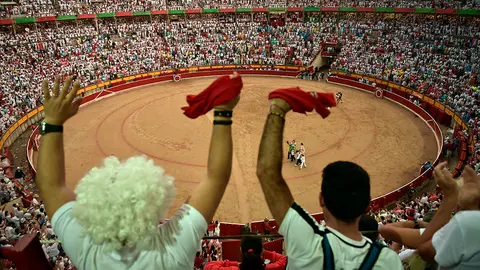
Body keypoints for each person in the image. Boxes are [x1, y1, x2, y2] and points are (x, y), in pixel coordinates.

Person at [37, 75, 241, 269]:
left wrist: (52, 121)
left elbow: (51, 185)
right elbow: (216, 178)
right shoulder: (171, 247)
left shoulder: (86, 249)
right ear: (151, 205)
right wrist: (223, 111)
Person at [256, 89, 402, 269]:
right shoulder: (389, 261)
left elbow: (267, 173)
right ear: (367, 205)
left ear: (321, 199)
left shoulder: (307, 242)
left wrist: (278, 109)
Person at [204, 235, 287, 270]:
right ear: (261, 252)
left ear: (240, 250)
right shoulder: (270, 268)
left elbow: (208, 266)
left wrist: (238, 264)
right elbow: (283, 259)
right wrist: (263, 252)